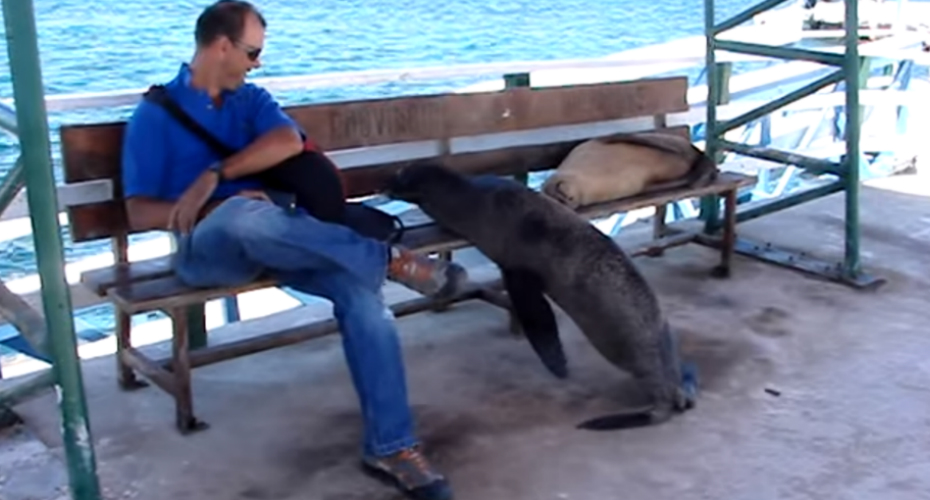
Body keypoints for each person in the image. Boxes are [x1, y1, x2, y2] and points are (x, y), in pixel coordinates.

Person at [119, 2, 463, 499]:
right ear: (221, 46)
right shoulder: (155, 116)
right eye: (252, 52)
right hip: (207, 252)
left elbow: (286, 140)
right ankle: (388, 259)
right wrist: (215, 205)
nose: (257, 63)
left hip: (279, 237)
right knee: (240, 214)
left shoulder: (249, 100)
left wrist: (216, 175)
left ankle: (391, 447)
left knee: (361, 298)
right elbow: (137, 213)